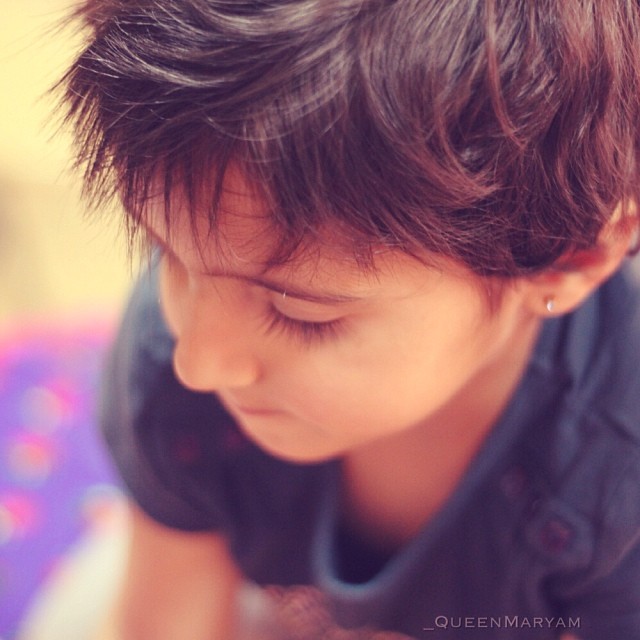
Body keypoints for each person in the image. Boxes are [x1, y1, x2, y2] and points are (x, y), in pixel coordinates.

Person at [59, 1, 640, 638]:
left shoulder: (615, 477)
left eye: (298, 313)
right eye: (168, 253)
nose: (195, 360)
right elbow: (168, 620)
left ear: (567, 259)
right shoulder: (172, 362)